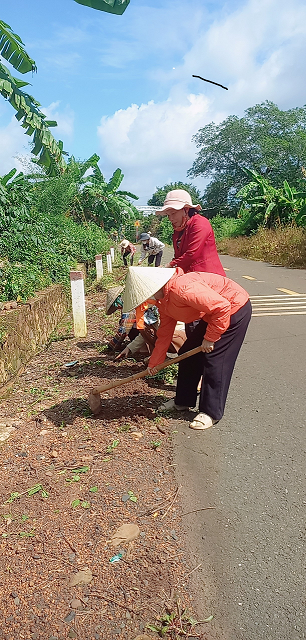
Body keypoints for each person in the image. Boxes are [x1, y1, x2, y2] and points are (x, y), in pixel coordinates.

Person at [123, 266, 252, 430]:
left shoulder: (182, 289)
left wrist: (210, 338)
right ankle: (183, 401)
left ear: (156, 286)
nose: (148, 299)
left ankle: (211, 412)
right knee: (187, 353)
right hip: (213, 314)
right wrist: (154, 363)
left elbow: (222, 307)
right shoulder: (163, 301)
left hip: (234, 309)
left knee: (215, 360)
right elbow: (165, 334)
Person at [156, 189, 225, 276]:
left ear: (186, 209)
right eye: (168, 215)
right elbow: (179, 256)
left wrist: (169, 266)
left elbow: (191, 254)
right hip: (189, 276)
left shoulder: (200, 223)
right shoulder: (179, 229)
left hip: (208, 276)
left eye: (173, 213)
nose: (170, 218)